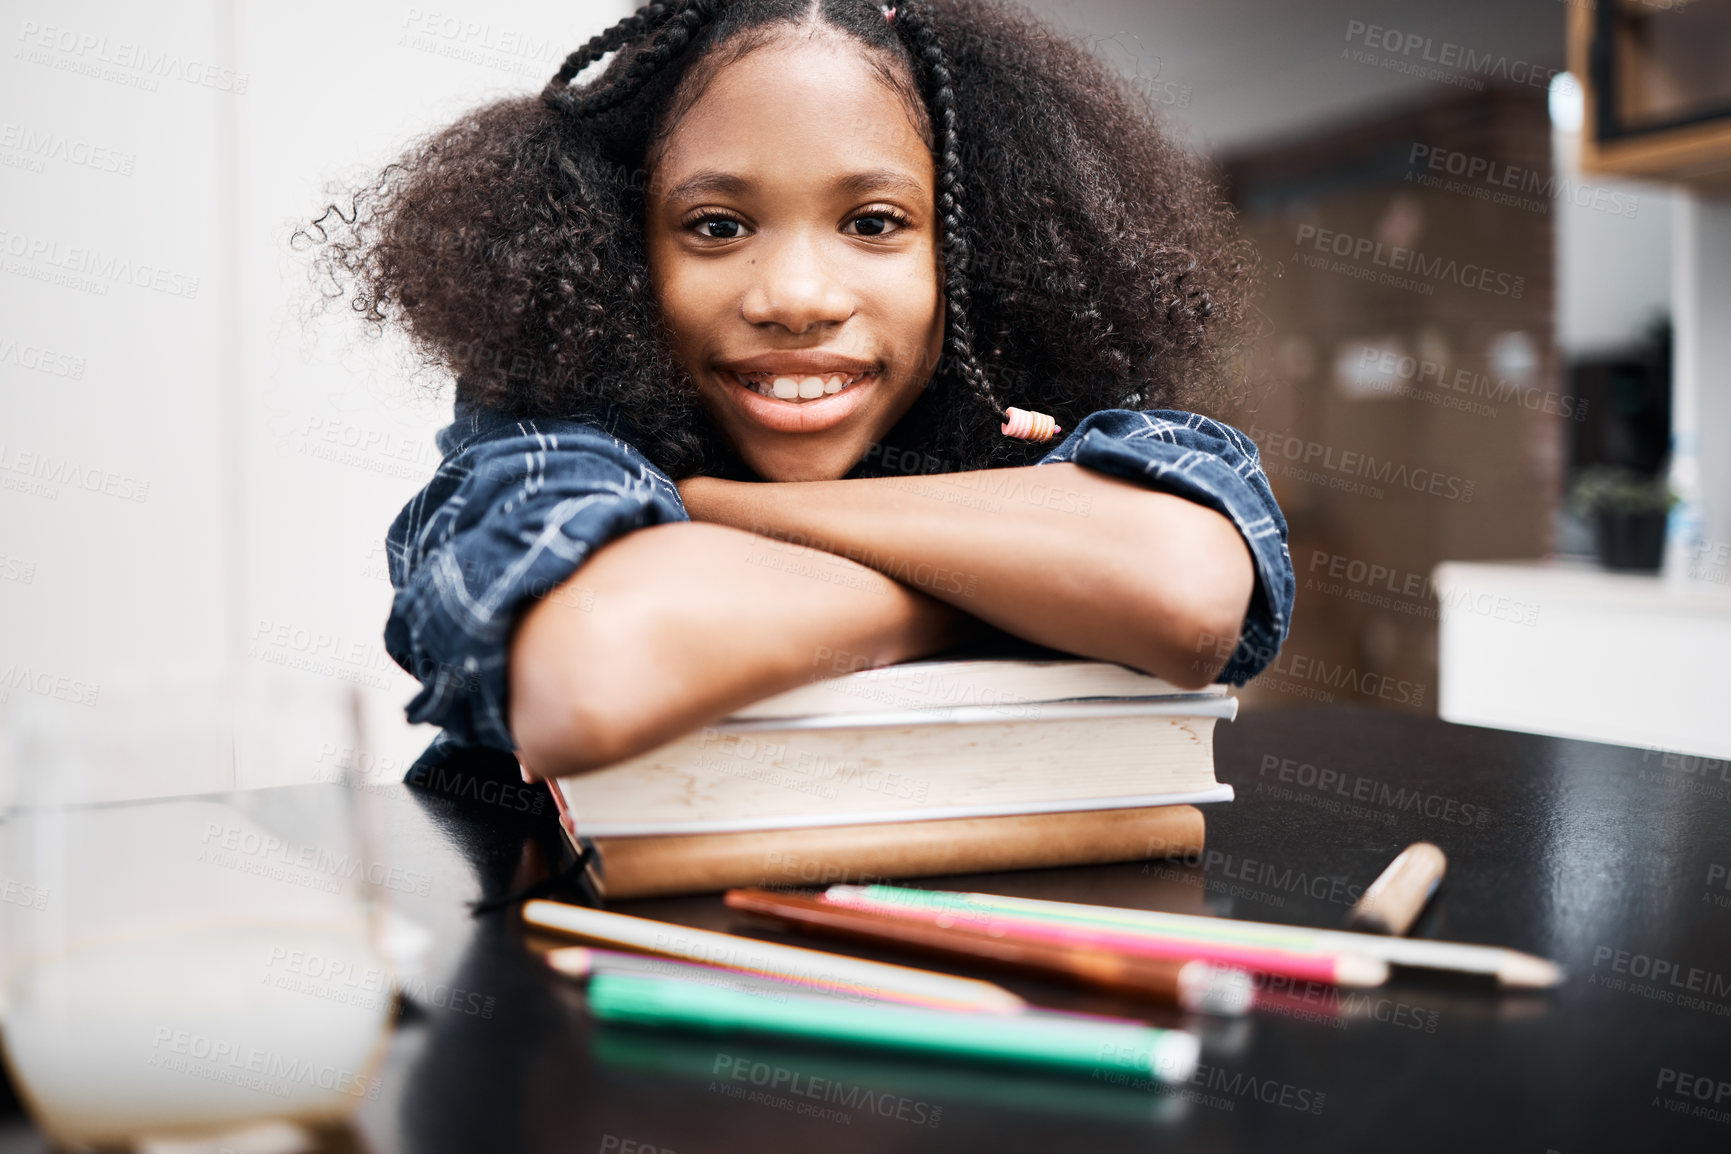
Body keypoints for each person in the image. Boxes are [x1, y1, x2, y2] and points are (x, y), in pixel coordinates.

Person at [298, 0, 1295, 783]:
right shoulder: (553, 432)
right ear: (622, 251)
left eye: (872, 222)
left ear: (974, 250)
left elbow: (1185, 590)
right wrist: (1002, 593)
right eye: (718, 227)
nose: (798, 299)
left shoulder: (1040, 413)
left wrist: (726, 510)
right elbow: (583, 676)